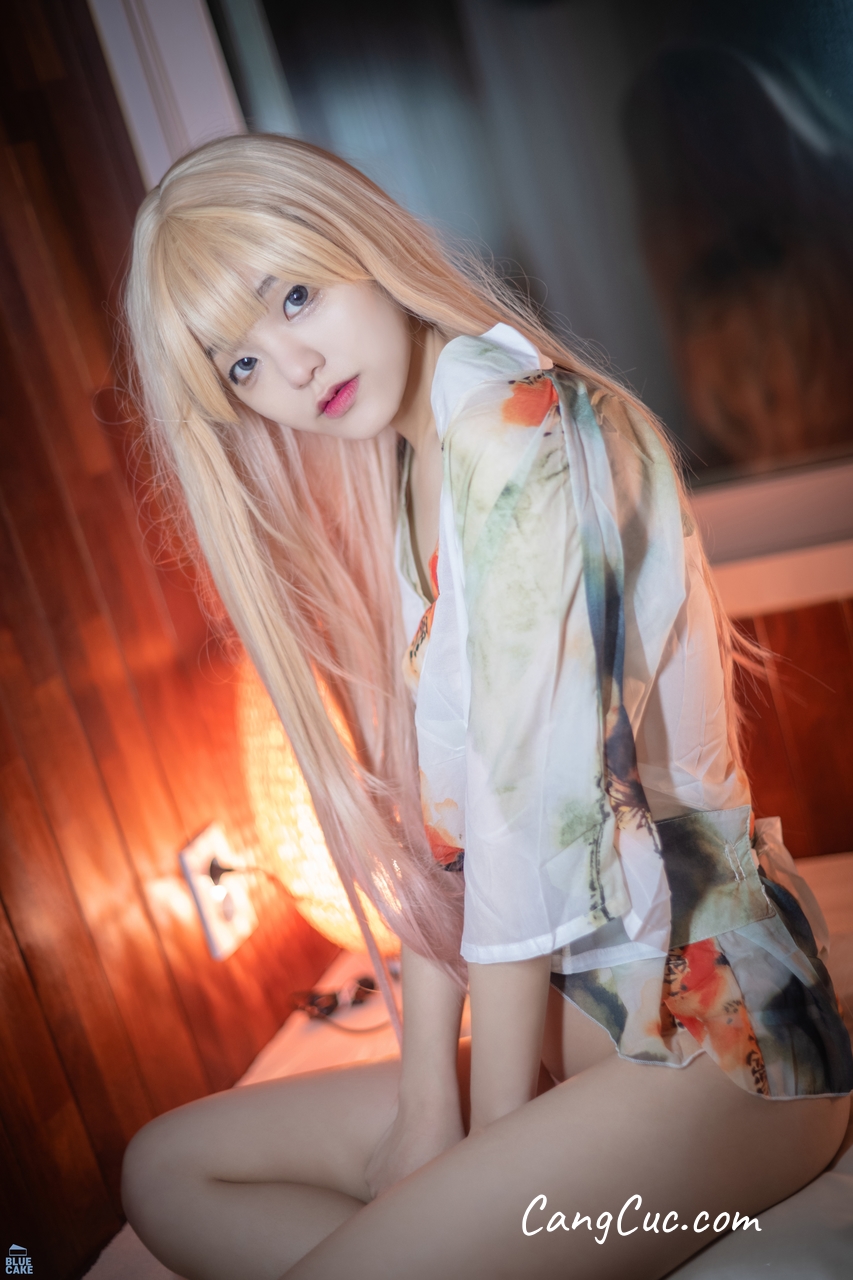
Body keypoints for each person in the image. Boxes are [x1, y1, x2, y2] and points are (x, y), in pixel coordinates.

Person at [120, 134, 851, 1280]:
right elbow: (450, 834)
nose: (292, 369)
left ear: (355, 237)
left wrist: (488, 1132)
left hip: (719, 1025)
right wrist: (427, 1111)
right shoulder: (415, 468)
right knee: (166, 1166)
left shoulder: (510, 422)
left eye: (294, 296)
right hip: (585, 1011)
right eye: (242, 364)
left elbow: (529, 823)